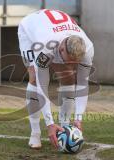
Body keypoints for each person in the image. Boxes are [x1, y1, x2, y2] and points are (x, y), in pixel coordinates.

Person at [18, 9, 94, 149]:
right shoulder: (44, 47)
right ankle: (35, 133)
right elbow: (42, 86)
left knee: (69, 77)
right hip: (29, 29)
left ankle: (65, 127)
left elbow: (83, 85)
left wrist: (78, 118)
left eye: (75, 63)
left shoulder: (88, 48)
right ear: (62, 50)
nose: (72, 65)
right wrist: (50, 123)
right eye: (70, 61)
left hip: (54, 28)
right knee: (34, 78)